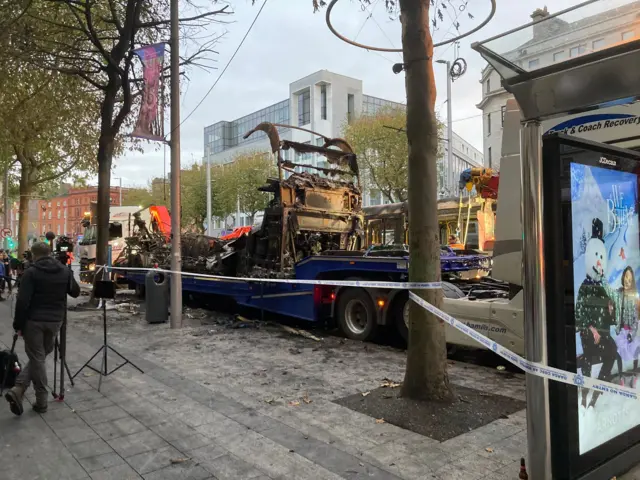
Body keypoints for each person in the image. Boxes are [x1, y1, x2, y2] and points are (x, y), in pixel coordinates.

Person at [4, 242, 80, 415]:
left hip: (34, 321)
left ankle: (41, 400)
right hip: (55, 321)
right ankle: (20, 388)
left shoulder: (31, 272)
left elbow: (23, 301)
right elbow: (75, 292)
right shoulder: (63, 270)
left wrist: (18, 325)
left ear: (33, 255)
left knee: (38, 356)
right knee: (41, 354)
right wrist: (67, 275)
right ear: (50, 253)